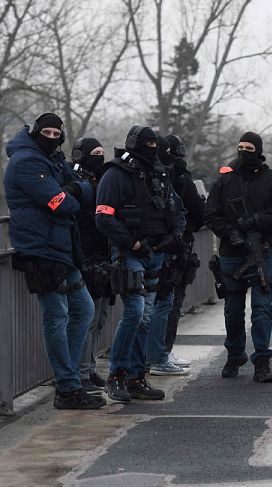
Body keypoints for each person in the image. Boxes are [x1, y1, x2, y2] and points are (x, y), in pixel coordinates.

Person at [3, 113, 104, 410]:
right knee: (57, 316)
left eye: (55, 132)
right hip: (40, 250)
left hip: (61, 249)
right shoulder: (26, 162)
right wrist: (72, 191)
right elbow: (60, 204)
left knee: (84, 310)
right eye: (45, 131)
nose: (51, 136)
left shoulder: (53, 160)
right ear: (35, 132)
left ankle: (68, 379)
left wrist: (73, 190)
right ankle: (68, 387)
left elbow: (86, 189)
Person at [96, 125, 187, 402]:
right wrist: (133, 243)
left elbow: (179, 209)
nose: (150, 148)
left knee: (146, 316)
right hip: (129, 252)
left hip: (156, 252)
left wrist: (174, 236)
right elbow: (103, 217)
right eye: (146, 144)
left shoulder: (158, 174)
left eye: (153, 144)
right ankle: (117, 375)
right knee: (135, 310)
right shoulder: (115, 174)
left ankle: (137, 376)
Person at [204, 132, 272, 382]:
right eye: (240, 147)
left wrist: (255, 221)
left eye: (249, 148)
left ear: (258, 151)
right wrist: (230, 232)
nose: (243, 152)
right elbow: (210, 214)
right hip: (232, 253)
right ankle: (234, 355)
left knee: (262, 309)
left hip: (263, 251)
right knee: (233, 310)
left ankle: (262, 360)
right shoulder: (225, 180)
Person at [155, 134, 204, 370]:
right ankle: (162, 353)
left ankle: (152, 355)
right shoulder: (180, 178)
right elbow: (198, 211)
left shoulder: (153, 175)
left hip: (155, 247)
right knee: (170, 301)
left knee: (151, 304)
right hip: (177, 247)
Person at [72, 137, 112, 393]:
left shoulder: (103, 181)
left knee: (100, 316)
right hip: (85, 256)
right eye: (94, 153)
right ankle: (80, 372)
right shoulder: (75, 183)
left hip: (104, 255)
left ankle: (89, 367)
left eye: (101, 152)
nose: (99, 157)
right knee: (87, 317)